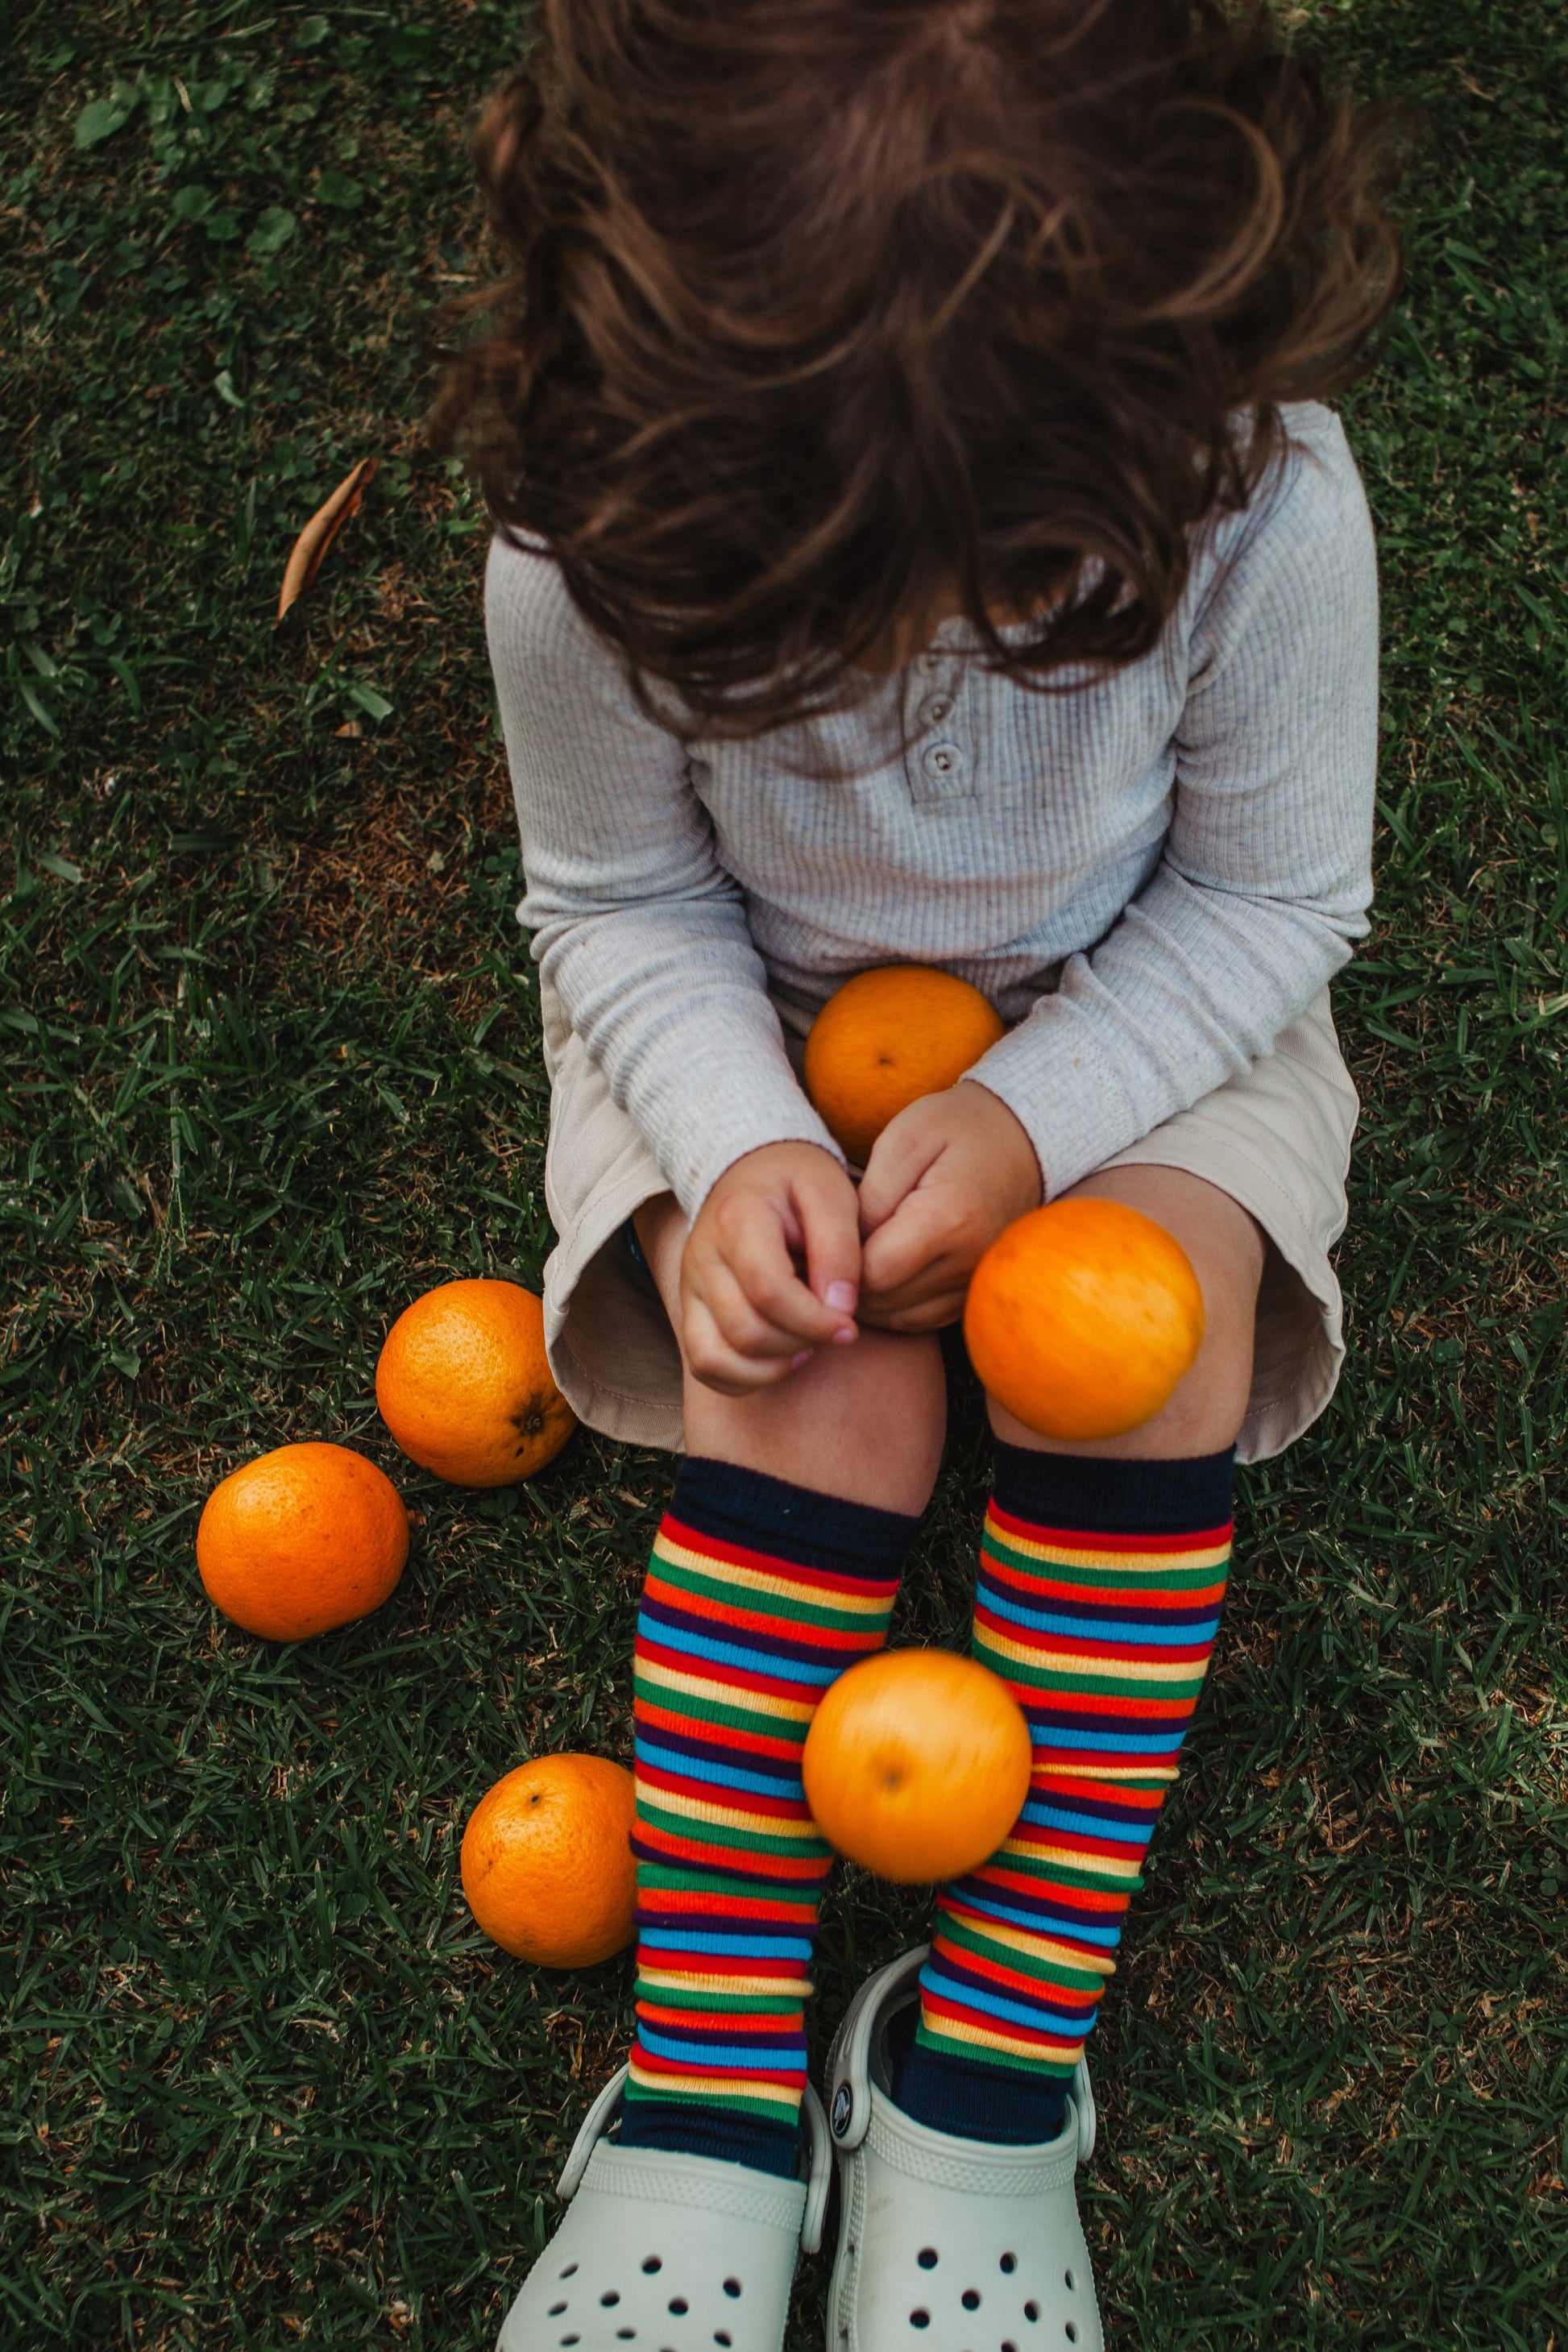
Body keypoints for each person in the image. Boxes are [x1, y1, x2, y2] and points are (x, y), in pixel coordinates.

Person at [436, 2, 1400, 2343]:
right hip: (744, 1041)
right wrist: (750, 1140)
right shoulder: (589, 552)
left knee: (1124, 1357)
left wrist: (1043, 1115)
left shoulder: (1257, 501)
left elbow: (1273, 907)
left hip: (1143, 1024)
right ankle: (708, 2072)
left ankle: (985, 2061)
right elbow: (618, 909)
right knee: (819, 1395)